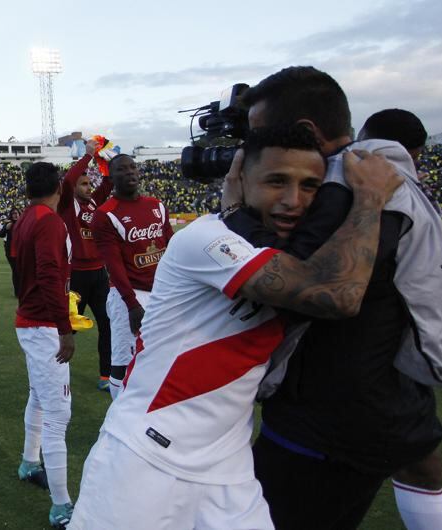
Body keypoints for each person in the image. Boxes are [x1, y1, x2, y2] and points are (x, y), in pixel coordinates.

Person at [70, 125, 402, 530]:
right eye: (276, 181)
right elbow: (337, 294)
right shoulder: (209, 238)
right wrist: (368, 199)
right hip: (143, 460)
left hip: (230, 467)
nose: (292, 201)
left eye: (311, 186)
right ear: (239, 180)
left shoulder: (294, 249)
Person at [233, 66, 442, 530]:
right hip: (385, 391)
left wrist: (235, 213)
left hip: (333, 411)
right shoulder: (383, 169)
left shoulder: (348, 181)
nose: (254, 148)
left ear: (308, 132)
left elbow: (303, 284)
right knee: (419, 473)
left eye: (264, 134)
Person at [358, 108, 442, 530]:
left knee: (417, 464)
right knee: (416, 464)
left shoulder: (360, 180)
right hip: (382, 355)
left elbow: (436, 261)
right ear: (413, 152)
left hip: (371, 353)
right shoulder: (385, 186)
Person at [11, 162, 76, 528]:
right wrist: (64, 328)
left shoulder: (24, 219)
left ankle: (29, 461)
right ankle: (62, 505)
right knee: (57, 413)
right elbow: (51, 273)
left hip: (31, 320)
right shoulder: (48, 221)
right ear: (60, 188)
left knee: (38, 396)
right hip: (43, 324)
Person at [92, 154, 173, 399]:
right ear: (112, 177)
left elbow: (171, 247)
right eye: (121, 170)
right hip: (128, 295)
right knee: (124, 361)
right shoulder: (106, 214)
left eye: (132, 168)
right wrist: (132, 304)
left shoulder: (156, 205)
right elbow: (114, 265)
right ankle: (117, 415)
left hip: (160, 293)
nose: (129, 173)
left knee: (160, 355)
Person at [58, 140, 114, 391]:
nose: (89, 187)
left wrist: (103, 160)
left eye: (89, 183)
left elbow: (109, 182)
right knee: (71, 328)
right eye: (84, 184)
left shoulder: (94, 203)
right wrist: (88, 156)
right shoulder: (68, 206)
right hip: (77, 275)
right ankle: (57, 372)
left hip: (99, 275)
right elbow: (68, 181)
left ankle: (107, 375)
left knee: (108, 324)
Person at [0, 208, 21, 297]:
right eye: (13, 213)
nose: (15, 215)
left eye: (17, 213)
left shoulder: (23, 223)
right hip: (11, 251)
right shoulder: (9, 224)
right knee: (15, 271)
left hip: (22, 250)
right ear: (11, 215)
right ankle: (17, 292)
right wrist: (6, 228)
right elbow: (1, 235)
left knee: (22, 271)